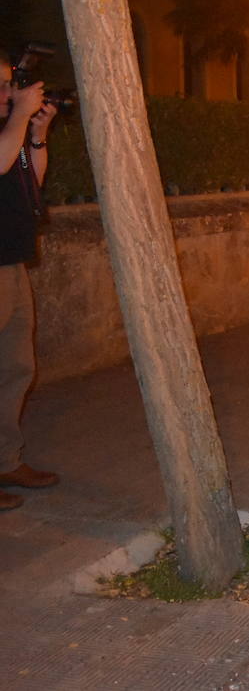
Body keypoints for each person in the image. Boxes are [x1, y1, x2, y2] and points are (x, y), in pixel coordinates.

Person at [0, 51, 60, 512]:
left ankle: (5, 460)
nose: (10, 92)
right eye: (2, 85)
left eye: (12, 84)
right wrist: (19, 115)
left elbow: (29, 182)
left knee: (16, 367)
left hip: (12, 262)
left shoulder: (11, 128)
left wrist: (36, 134)